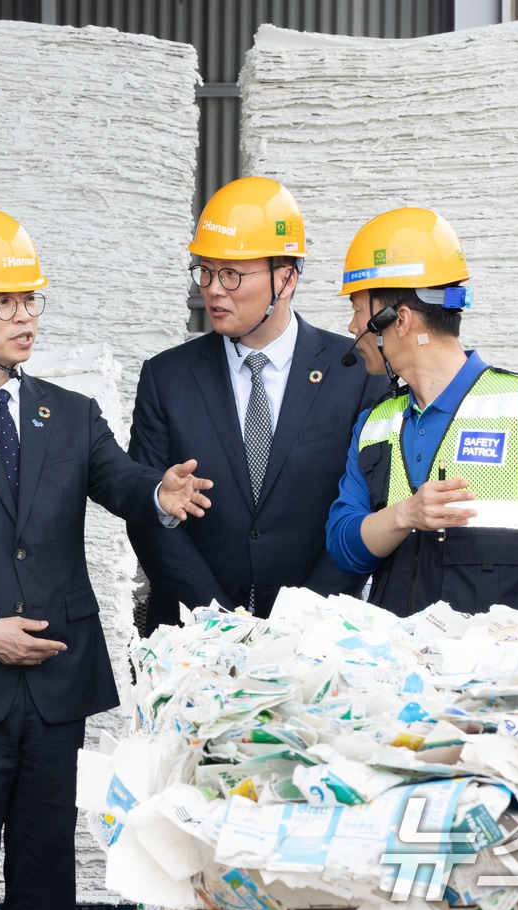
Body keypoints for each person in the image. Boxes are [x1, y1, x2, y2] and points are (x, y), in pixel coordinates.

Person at [0, 208, 212, 910]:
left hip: (55, 685)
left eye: (30, 300)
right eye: (4, 302)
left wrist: (159, 492)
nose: (25, 318)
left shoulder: (72, 413)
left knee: (46, 870)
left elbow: (120, 479)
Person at [324, 207, 518, 615]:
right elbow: (343, 547)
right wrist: (405, 514)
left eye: (357, 311)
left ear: (398, 320)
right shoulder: (375, 424)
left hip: (500, 670)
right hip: (402, 667)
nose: (353, 329)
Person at [127, 177, 382, 627]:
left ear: (286, 278)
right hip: (193, 633)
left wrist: (301, 616)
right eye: (205, 271)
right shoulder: (166, 377)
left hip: (316, 631)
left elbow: (367, 511)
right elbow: (147, 513)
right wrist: (216, 618)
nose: (213, 289)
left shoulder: (355, 373)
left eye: (231, 274)